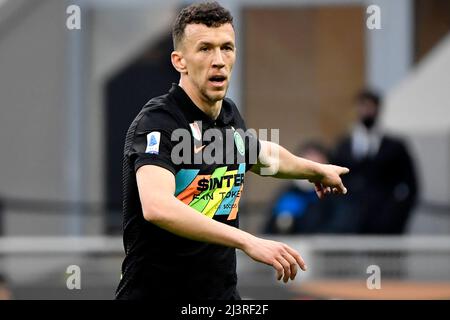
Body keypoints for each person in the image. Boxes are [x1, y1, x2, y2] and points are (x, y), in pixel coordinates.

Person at [115, 1, 349, 300]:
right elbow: (157, 207)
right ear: (179, 61)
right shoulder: (159, 123)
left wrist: (315, 169)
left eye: (227, 47)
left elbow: (262, 154)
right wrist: (247, 241)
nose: (219, 60)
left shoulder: (228, 116)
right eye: (205, 48)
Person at [332, 89, 418, 234]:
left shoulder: (395, 146)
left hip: (385, 222)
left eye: (370, 106)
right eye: (362, 106)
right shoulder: (344, 146)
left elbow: (411, 185)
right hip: (350, 222)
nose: (366, 111)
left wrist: (397, 213)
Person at [264, 142, 343, 234]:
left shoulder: (335, 195)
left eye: (316, 165)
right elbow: (269, 229)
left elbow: (339, 227)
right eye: (307, 164)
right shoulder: (288, 194)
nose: (310, 172)